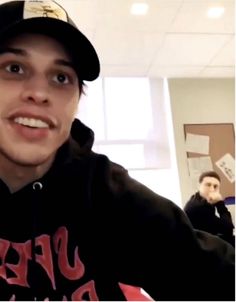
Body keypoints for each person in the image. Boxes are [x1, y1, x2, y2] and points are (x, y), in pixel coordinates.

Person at [0, 1, 234, 301]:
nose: (40, 93)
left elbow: (211, 273)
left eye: (61, 77)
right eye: (14, 68)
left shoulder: (105, 193)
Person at [184, 171, 235, 247]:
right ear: (199, 186)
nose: (212, 189)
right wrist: (220, 203)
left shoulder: (195, 198)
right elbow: (228, 229)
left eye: (215, 186)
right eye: (208, 185)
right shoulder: (199, 207)